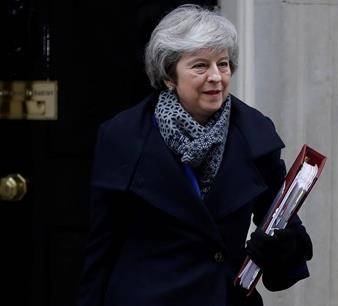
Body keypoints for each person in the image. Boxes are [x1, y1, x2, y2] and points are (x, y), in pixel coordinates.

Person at [77, 4, 312, 306]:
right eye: (200, 66)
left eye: (223, 64)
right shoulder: (122, 137)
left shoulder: (256, 135)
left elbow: (288, 233)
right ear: (169, 76)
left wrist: (276, 247)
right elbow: (101, 247)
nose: (216, 77)